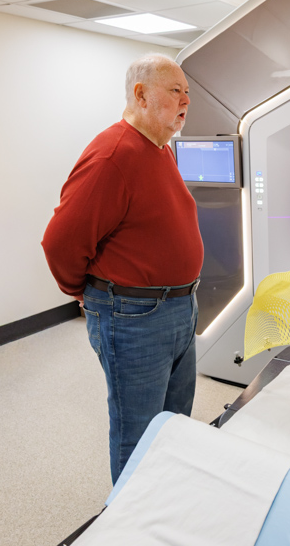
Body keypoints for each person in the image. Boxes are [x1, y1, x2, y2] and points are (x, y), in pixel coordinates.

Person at [42, 53, 204, 484]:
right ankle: (132, 525)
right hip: (134, 317)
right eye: (176, 91)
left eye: (188, 92)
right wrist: (85, 292)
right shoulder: (113, 154)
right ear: (141, 95)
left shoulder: (160, 151)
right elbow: (61, 241)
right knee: (140, 435)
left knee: (173, 424)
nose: (186, 101)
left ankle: (161, 506)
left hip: (177, 309)